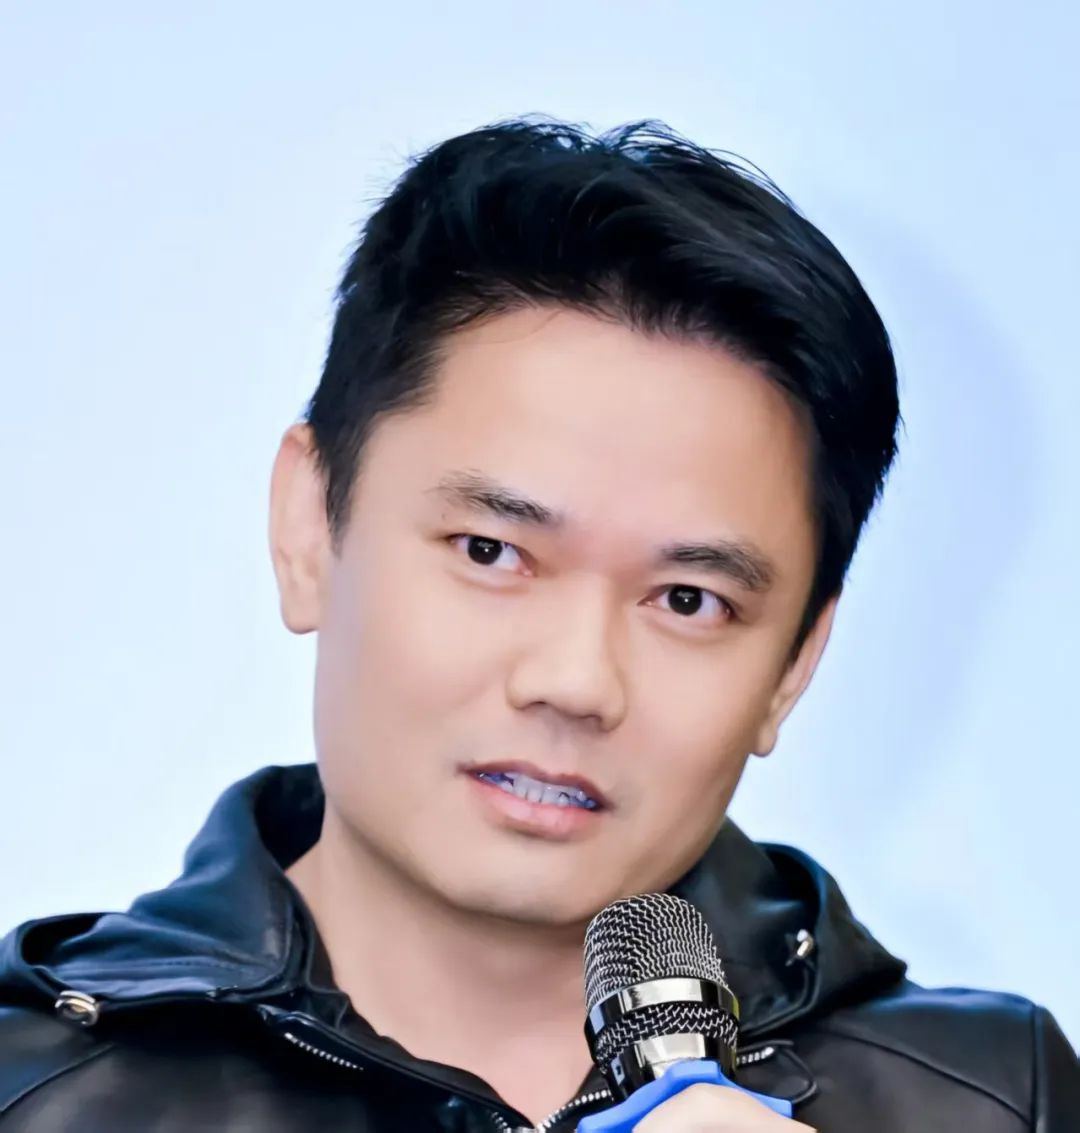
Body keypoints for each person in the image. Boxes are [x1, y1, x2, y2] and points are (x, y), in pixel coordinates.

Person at [0, 116, 1075, 1133]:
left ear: (795, 663)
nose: (575, 679)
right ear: (309, 527)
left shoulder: (986, 1100)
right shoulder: (35, 1096)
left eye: (687, 599)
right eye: (491, 551)